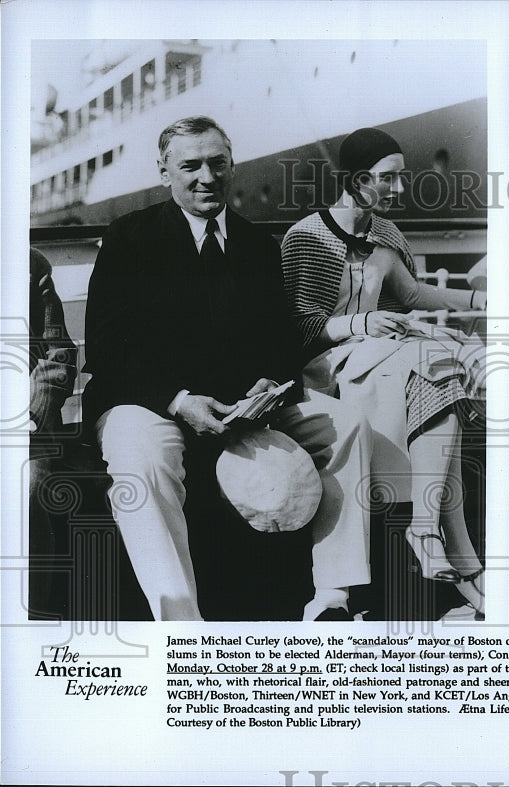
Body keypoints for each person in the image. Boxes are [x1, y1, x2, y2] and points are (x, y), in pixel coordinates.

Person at [83, 116, 372, 621]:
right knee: (143, 459)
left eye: (218, 163)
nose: (207, 177)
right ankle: (181, 622)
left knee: (348, 428)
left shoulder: (258, 246)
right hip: (149, 400)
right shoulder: (128, 237)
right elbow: (108, 348)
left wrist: (270, 385)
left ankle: (332, 596)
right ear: (164, 172)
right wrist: (177, 400)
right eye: (190, 166)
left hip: (243, 404)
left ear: (232, 164)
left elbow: (280, 341)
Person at [280, 127, 485, 615]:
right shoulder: (305, 238)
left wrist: (479, 299)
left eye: (400, 178)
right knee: (436, 359)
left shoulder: (385, 234)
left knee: (442, 363)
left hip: (376, 355)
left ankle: (427, 528)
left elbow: (412, 296)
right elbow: (297, 329)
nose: (398, 188)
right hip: (325, 365)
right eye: (388, 178)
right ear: (356, 179)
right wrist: (364, 321)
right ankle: (453, 548)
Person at [28, 248, 78, 615]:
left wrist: (31, 417)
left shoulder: (31, 267)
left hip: (28, 426)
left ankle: (32, 617)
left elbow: (58, 357)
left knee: (30, 486)